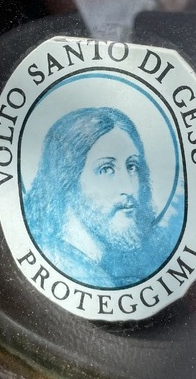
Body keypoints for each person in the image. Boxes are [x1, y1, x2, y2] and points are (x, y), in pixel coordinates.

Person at [24, 107, 174, 287]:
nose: (128, 188)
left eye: (132, 167)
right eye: (106, 169)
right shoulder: (63, 266)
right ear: (67, 178)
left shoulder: (104, 273)